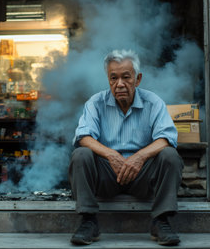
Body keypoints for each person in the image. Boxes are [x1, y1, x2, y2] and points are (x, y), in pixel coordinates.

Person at [69, 49, 184, 246]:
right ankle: (88, 221)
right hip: (107, 175)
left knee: (170, 156)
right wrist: (111, 154)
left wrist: (139, 157)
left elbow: (167, 137)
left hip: (142, 176)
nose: (119, 84)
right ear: (108, 79)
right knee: (81, 154)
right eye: (113, 78)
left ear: (138, 79)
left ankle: (161, 221)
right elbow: (83, 137)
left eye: (126, 77)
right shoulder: (96, 103)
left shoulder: (153, 102)